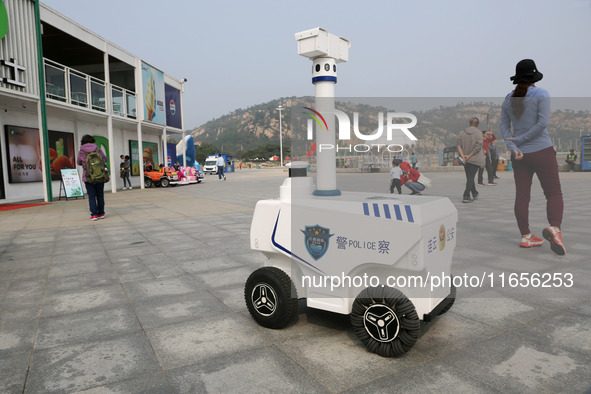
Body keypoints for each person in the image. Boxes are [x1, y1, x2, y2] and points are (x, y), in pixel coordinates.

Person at [500, 59, 565, 255]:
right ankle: (554, 228)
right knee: (553, 193)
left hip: (519, 156)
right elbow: (542, 124)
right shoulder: (541, 94)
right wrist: (521, 139)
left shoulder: (508, 99)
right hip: (542, 151)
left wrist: (514, 145)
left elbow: (504, 128)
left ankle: (526, 236)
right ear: (534, 77)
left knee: (522, 195)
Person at [77, 134, 108, 221]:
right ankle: (101, 213)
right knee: (100, 195)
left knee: (91, 196)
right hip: (100, 176)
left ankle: (94, 214)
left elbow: (78, 162)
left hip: (88, 177)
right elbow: (105, 159)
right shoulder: (98, 149)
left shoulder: (81, 151)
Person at [457, 117, 485, 203]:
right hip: (475, 159)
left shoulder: (461, 133)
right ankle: (466, 195)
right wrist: (469, 156)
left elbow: (459, 145)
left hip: (465, 159)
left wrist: (464, 156)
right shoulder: (479, 133)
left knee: (469, 177)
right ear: (477, 125)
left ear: (469, 123)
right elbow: (478, 147)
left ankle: (475, 193)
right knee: (470, 178)